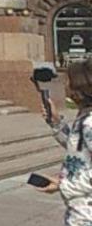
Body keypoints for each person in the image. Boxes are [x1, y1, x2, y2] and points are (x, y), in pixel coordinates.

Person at [37, 58, 92, 224]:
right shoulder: (85, 118)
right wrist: (55, 122)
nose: (65, 84)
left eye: (68, 80)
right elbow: (77, 146)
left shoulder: (90, 122)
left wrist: (64, 184)